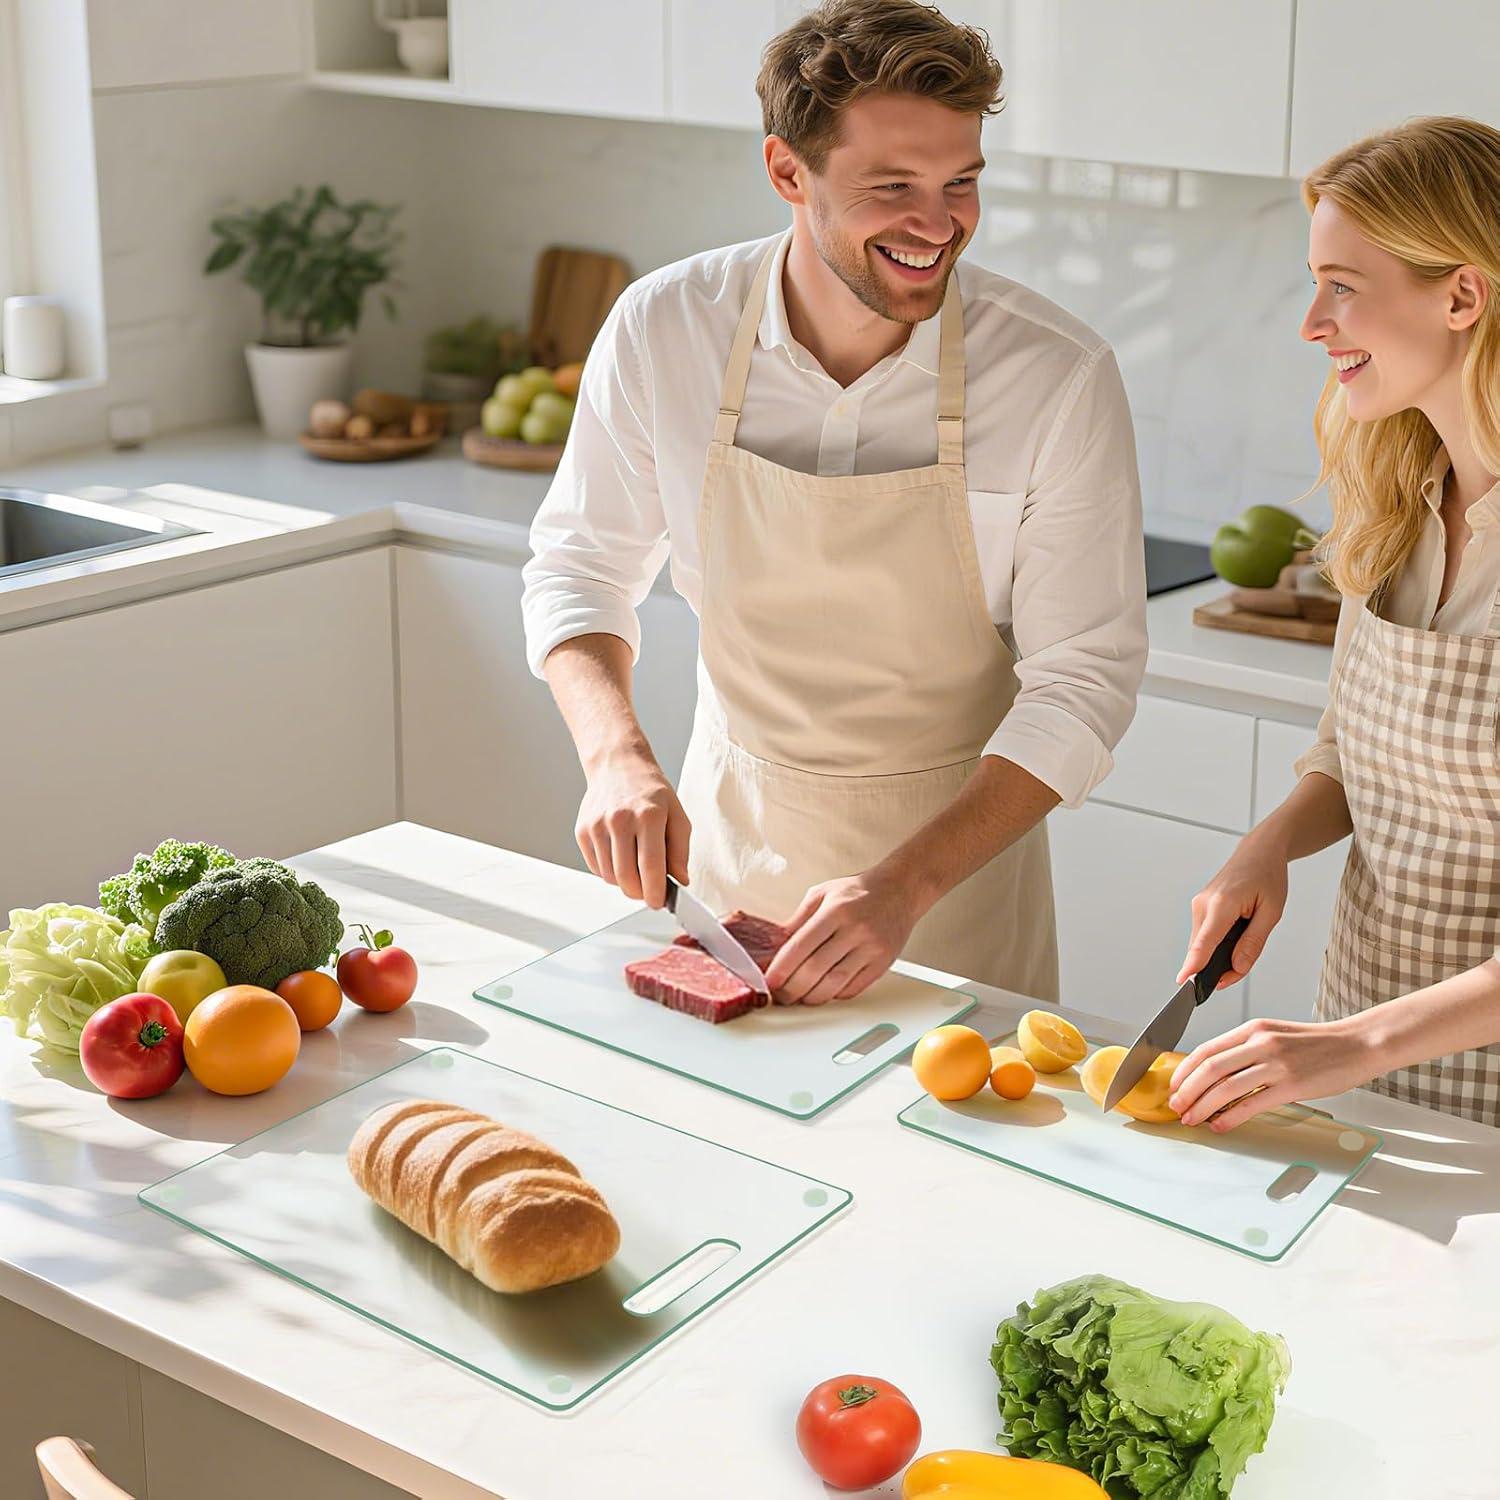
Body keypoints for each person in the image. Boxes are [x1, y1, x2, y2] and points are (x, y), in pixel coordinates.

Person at [521, 0, 1145, 1004]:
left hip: (952, 901)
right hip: (725, 871)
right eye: (892, 187)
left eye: (960, 183)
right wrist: (616, 758)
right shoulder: (665, 328)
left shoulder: (1055, 376)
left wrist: (907, 885)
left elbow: (1083, 684)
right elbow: (579, 567)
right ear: (787, 172)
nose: (937, 224)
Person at [1170, 116, 1500, 1130]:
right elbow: (1350, 748)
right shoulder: (1395, 499)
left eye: (1343, 287)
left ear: (1462, 296)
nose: (1314, 323)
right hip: (1366, 1045)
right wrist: (1268, 845)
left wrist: (1359, 1044)